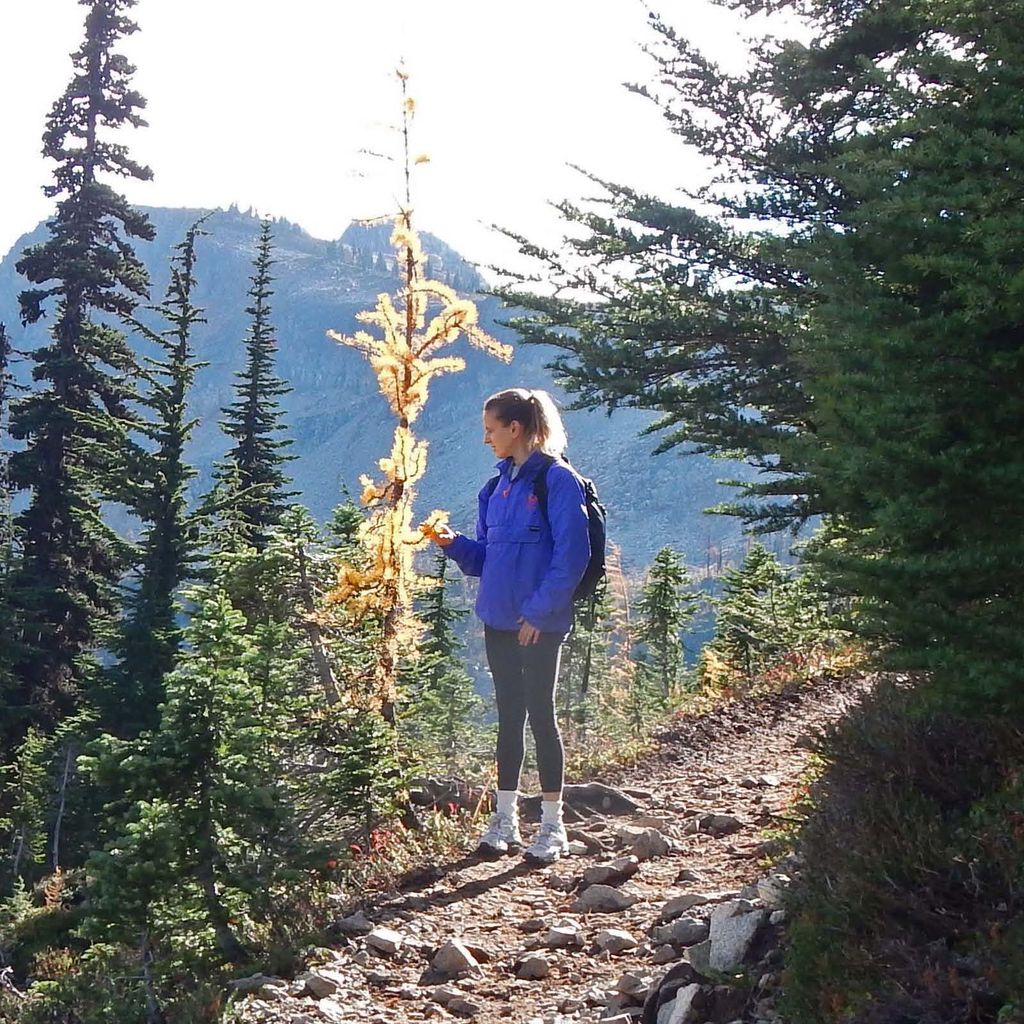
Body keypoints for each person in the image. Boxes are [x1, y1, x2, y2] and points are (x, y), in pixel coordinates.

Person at [426, 388, 590, 864]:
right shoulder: (493, 489)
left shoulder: (557, 481)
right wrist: (453, 543)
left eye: (491, 429)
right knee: (509, 719)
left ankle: (553, 827)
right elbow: (486, 561)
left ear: (514, 428)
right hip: (498, 621)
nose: (486, 439)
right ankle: (505, 821)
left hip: (538, 624)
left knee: (541, 717)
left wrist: (538, 613)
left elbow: (572, 555)